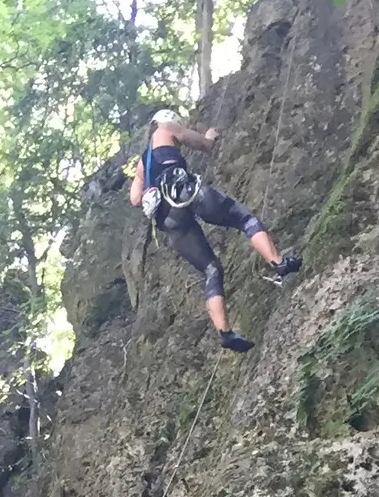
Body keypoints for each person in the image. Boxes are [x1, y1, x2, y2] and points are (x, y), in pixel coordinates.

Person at [128, 110, 300, 352]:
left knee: (211, 269)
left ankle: (225, 333)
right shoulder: (166, 129)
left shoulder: (142, 163)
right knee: (245, 219)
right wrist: (209, 136)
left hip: (168, 219)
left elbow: (135, 199)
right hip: (187, 193)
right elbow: (203, 144)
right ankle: (278, 263)